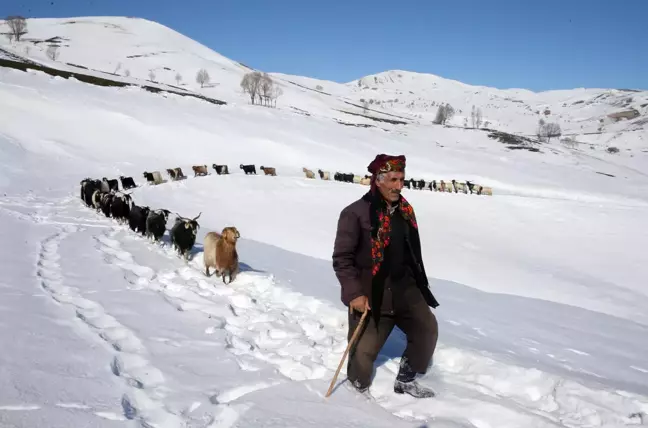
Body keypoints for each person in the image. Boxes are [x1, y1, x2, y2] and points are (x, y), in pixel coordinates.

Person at [332, 153, 440, 398]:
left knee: (427, 330)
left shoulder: (405, 210)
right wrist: (355, 293)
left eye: (401, 179)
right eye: (393, 180)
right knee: (363, 353)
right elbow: (342, 258)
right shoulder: (355, 213)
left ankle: (406, 378)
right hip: (371, 294)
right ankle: (357, 388)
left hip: (405, 289)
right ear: (378, 180)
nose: (398, 186)